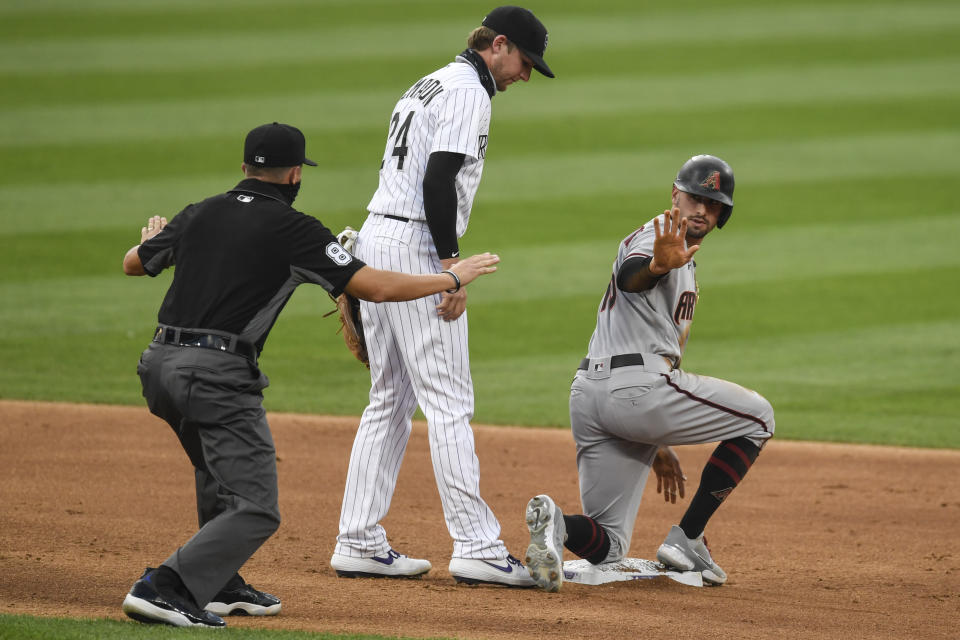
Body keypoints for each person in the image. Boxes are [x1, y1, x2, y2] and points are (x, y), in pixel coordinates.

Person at [119, 122, 500, 628]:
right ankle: (165, 587)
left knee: (216, 471)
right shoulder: (294, 228)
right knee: (256, 507)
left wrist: (153, 242)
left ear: (244, 168)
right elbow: (373, 287)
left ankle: (218, 582)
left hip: (158, 367)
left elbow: (133, 263)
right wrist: (451, 276)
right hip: (216, 375)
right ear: (295, 173)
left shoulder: (199, 212)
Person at [329, 6, 554, 587]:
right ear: (498, 45)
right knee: (448, 401)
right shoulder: (469, 93)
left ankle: (357, 537)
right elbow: (438, 178)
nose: (525, 76)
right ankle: (477, 545)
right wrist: (451, 268)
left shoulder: (429, 82)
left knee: (389, 399)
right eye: (524, 63)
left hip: (377, 237)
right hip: (416, 243)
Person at [523, 155, 775, 592]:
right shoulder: (659, 236)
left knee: (611, 545)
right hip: (636, 390)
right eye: (694, 197)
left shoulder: (683, 257)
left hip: (591, 396)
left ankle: (556, 526)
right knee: (759, 417)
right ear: (674, 195)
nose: (701, 210)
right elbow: (629, 277)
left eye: (712, 205)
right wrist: (658, 266)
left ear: (722, 215)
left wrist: (653, 437)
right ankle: (689, 538)